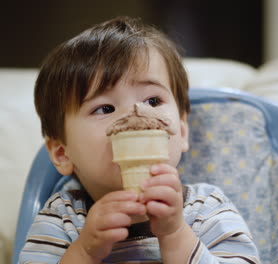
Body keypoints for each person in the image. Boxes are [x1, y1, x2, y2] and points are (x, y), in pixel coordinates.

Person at [19, 16, 260, 264]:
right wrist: (85, 252)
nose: (135, 114)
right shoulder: (62, 218)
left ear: (182, 130)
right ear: (62, 153)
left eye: (153, 101)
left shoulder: (206, 209)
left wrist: (175, 235)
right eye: (104, 108)